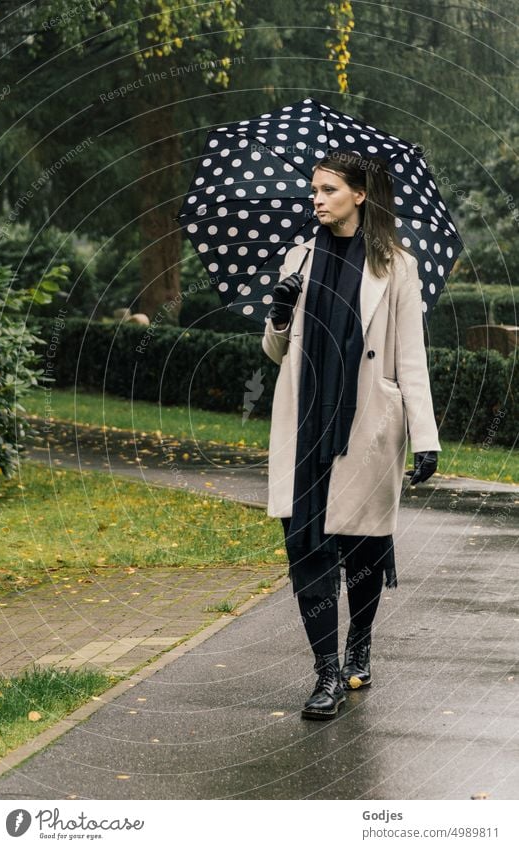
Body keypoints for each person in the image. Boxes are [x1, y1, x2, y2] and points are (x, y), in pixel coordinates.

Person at [261, 149, 441, 720]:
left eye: (329, 189)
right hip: (306, 422)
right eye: (313, 189)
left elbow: (411, 358)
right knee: (308, 549)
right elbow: (274, 351)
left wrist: (425, 436)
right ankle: (326, 674)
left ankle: (359, 642)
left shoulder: (396, 266)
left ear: (359, 196)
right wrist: (280, 312)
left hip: (366, 425)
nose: (316, 199)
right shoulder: (299, 257)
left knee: (363, 544)